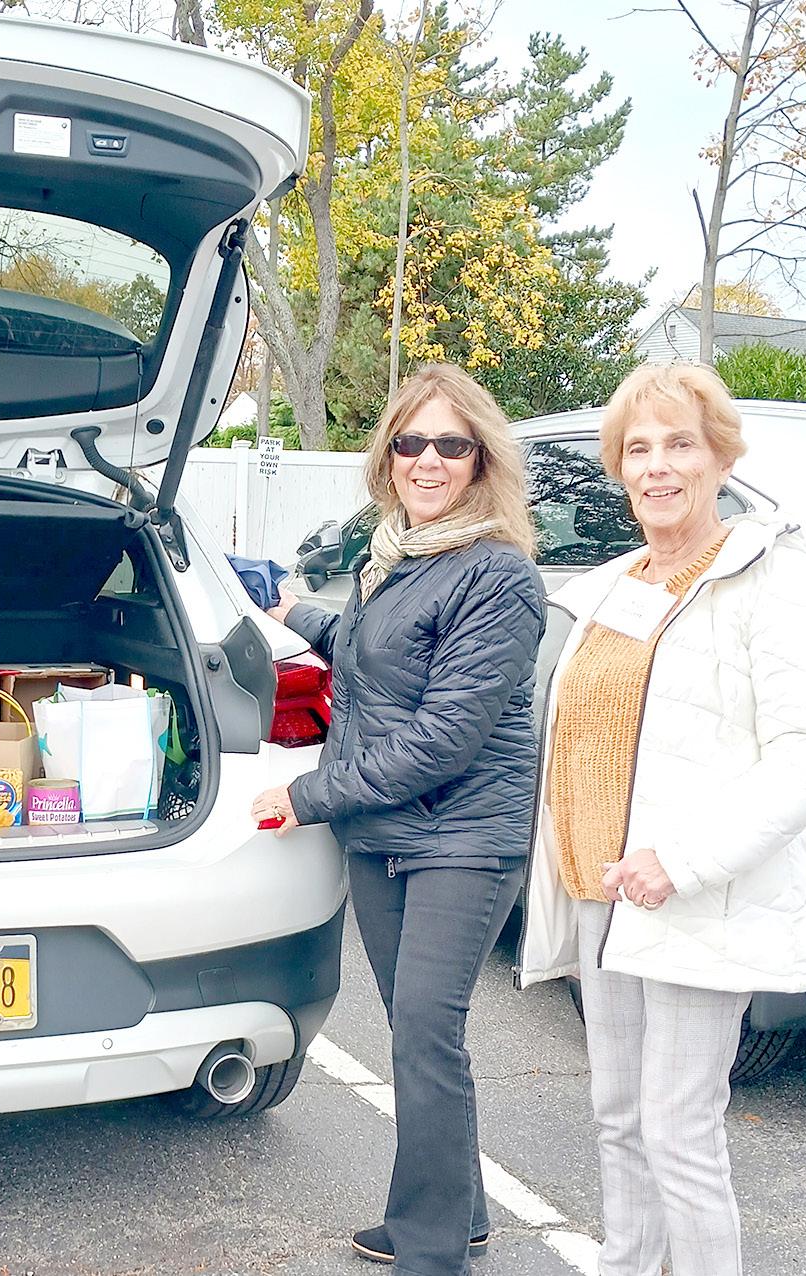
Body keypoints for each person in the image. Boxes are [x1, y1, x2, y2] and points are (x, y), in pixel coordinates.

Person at [518, 363, 806, 1276]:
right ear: (619, 468)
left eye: (680, 444)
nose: (657, 466)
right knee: (619, 1118)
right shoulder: (617, 582)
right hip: (603, 889)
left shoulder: (769, 577)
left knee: (678, 1130)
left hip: (694, 894)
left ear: (721, 460)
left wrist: (685, 860)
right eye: (638, 449)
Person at [255, 364, 545, 1275]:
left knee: (425, 1030)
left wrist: (307, 796)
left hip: (462, 836)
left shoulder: (499, 575)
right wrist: (290, 611)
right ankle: (460, 1213)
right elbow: (369, 652)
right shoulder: (396, 559)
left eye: (451, 445)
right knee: (420, 1034)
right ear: (388, 456)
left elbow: (445, 738)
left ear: (480, 460)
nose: (428, 460)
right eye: (411, 441)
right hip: (385, 831)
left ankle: (429, 1248)